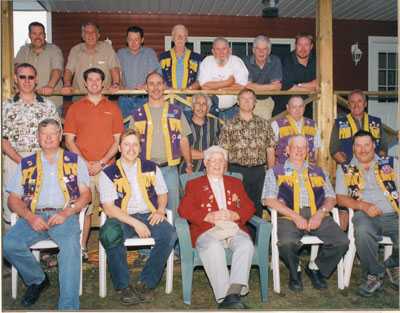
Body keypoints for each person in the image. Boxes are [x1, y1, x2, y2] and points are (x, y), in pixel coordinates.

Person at [3, 118, 91, 310]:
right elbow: (13, 199)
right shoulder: (26, 163)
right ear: (38, 137)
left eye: (53, 133)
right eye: (44, 133)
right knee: (9, 244)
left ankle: (68, 306)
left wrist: (68, 212)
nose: (49, 137)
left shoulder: (75, 161)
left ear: (60, 136)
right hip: (33, 215)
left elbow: (86, 194)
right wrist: (29, 216)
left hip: (63, 216)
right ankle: (38, 279)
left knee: (70, 246)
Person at [99, 128, 177, 305]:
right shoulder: (108, 172)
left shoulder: (151, 167)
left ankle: (146, 282)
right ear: (119, 148)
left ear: (140, 148)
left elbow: (162, 193)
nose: (131, 149)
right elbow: (109, 208)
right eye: (126, 145)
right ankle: (124, 285)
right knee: (110, 236)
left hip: (149, 214)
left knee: (169, 234)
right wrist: (135, 223)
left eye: (135, 145)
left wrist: (160, 210)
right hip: (123, 217)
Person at [262, 134, 349, 292]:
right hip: (288, 215)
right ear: (287, 150)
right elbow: (268, 200)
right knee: (287, 242)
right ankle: (295, 270)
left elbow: (331, 198)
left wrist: (320, 214)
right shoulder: (275, 171)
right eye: (296, 146)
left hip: (318, 214)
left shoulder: (319, 171)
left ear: (308, 150)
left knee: (342, 241)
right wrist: (295, 216)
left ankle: (316, 267)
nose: (300, 150)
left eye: (303, 147)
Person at [178, 146, 255, 309]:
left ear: (225, 164)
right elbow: (183, 209)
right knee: (214, 247)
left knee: (245, 244)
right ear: (206, 163)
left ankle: (233, 293)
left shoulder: (235, 182)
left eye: (221, 161)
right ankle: (225, 298)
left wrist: (236, 215)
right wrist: (207, 216)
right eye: (213, 160)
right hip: (207, 230)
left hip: (233, 228)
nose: (217, 164)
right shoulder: (194, 184)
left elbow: (250, 206)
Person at [129, 72, 192, 259]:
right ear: (146, 87)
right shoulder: (137, 114)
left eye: (159, 83)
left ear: (164, 86)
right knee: (146, 208)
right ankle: (145, 251)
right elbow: (131, 143)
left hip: (169, 169)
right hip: (145, 170)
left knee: (172, 208)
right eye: (151, 84)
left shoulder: (176, 111)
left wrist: (188, 163)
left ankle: (175, 250)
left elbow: (183, 140)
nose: (155, 87)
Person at [64, 68, 124, 260]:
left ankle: (115, 249)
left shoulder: (113, 108)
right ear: (85, 83)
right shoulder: (75, 108)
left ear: (103, 83)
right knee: (83, 209)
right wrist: (85, 164)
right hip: (82, 169)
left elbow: (118, 141)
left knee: (113, 209)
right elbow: (69, 141)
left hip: (107, 168)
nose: (94, 83)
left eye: (98, 79)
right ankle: (82, 248)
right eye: (90, 79)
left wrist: (101, 162)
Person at [336, 130, 398, 297]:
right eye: (358, 146)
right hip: (365, 215)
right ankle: (374, 275)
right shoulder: (345, 168)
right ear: (353, 148)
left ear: (374, 145)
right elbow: (340, 198)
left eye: (366, 145)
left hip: (393, 213)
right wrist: (362, 205)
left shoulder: (392, 163)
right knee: (362, 231)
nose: (363, 150)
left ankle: (393, 264)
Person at [2, 63, 60, 229]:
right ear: (15, 79)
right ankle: (13, 241)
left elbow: (56, 135)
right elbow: (3, 140)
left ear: (36, 80)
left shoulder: (47, 105)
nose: (26, 80)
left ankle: (42, 249)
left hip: (42, 158)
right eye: (22, 77)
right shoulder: (5, 107)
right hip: (14, 159)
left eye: (30, 77)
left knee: (42, 199)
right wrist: (21, 161)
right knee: (12, 199)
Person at [329, 90, 388, 230]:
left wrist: (377, 165)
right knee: (344, 206)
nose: (356, 104)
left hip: (373, 171)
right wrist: (348, 168)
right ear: (348, 105)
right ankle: (343, 241)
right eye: (352, 102)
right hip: (349, 172)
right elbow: (334, 149)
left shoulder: (376, 122)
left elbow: (384, 146)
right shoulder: (340, 122)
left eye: (359, 101)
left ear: (365, 104)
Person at [218, 88, 276, 222]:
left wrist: (270, 173)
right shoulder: (229, 125)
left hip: (259, 172)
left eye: (250, 99)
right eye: (243, 98)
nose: (247, 101)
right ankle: (240, 239)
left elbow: (271, 149)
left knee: (257, 208)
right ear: (238, 102)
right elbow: (224, 152)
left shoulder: (264, 124)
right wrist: (226, 176)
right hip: (237, 171)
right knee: (238, 207)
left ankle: (257, 240)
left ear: (255, 103)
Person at [62, 21, 120, 101]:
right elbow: (69, 70)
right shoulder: (75, 50)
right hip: (80, 96)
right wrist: (67, 85)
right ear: (82, 36)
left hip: (102, 96)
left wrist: (115, 84)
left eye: (93, 32)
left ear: (98, 35)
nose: (90, 35)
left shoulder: (107, 49)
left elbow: (114, 68)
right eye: (87, 32)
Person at [15, 22, 64, 115]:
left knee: (52, 129)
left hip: (52, 101)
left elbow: (57, 69)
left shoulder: (54, 49)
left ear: (45, 35)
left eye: (41, 33)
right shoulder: (23, 50)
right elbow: (18, 69)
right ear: (29, 35)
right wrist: (18, 86)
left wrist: (50, 86)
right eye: (34, 34)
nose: (38, 37)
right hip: (27, 102)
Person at [199, 37, 249, 121]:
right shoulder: (207, 62)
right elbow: (204, 87)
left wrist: (218, 89)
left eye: (224, 49)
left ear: (230, 50)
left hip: (233, 110)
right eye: (218, 49)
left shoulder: (236, 61)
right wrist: (229, 82)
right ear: (213, 51)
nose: (221, 52)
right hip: (210, 110)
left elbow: (242, 86)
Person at [117, 26, 159, 124]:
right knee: (125, 130)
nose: (133, 43)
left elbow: (152, 74)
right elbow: (118, 75)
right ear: (127, 40)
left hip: (144, 98)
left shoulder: (150, 53)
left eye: (136, 40)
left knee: (145, 129)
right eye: (130, 40)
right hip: (125, 99)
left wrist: (146, 86)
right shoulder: (121, 53)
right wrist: (122, 87)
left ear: (142, 40)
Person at [273, 32, 316, 118]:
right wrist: (310, 91)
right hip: (285, 106)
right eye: (300, 45)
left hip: (308, 106)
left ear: (311, 46)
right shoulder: (286, 60)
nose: (303, 49)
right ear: (295, 46)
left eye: (306, 45)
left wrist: (299, 85)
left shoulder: (317, 58)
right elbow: (287, 86)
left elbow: (320, 83)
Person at [271, 95, 322, 165]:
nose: (297, 110)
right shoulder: (277, 124)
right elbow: (271, 150)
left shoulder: (312, 124)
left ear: (304, 107)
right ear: (288, 107)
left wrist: (314, 168)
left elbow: (316, 148)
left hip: (307, 170)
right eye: (294, 107)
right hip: (285, 171)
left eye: (300, 106)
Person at [179, 93, 221, 174]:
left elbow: (219, 149)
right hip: (188, 170)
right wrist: (208, 154)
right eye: (198, 103)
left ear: (208, 109)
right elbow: (181, 151)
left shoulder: (215, 123)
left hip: (211, 170)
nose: (201, 107)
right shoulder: (184, 124)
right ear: (192, 107)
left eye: (204, 104)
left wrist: (191, 153)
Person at [244, 35, 282, 120]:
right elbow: (247, 86)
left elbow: (277, 87)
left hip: (266, 100)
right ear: (253, 50)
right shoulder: (246, 61)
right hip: (247, 100)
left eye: (264, 49)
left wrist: (254, 86)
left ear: (269, 51)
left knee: (264, 129)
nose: (261, 52)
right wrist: (270, 86)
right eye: (258, 49)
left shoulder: (275, 61)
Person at [158, 24, 201, 91]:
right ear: (173, 38)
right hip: (169, 98)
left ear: (186, 39)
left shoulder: (196, 58)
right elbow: (158, 80)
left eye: (183, 36)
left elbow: (200, 81)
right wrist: (167, 88)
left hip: (189, 100)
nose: (180, 38)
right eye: (177, 35)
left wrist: (189, 89)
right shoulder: (164, 57)